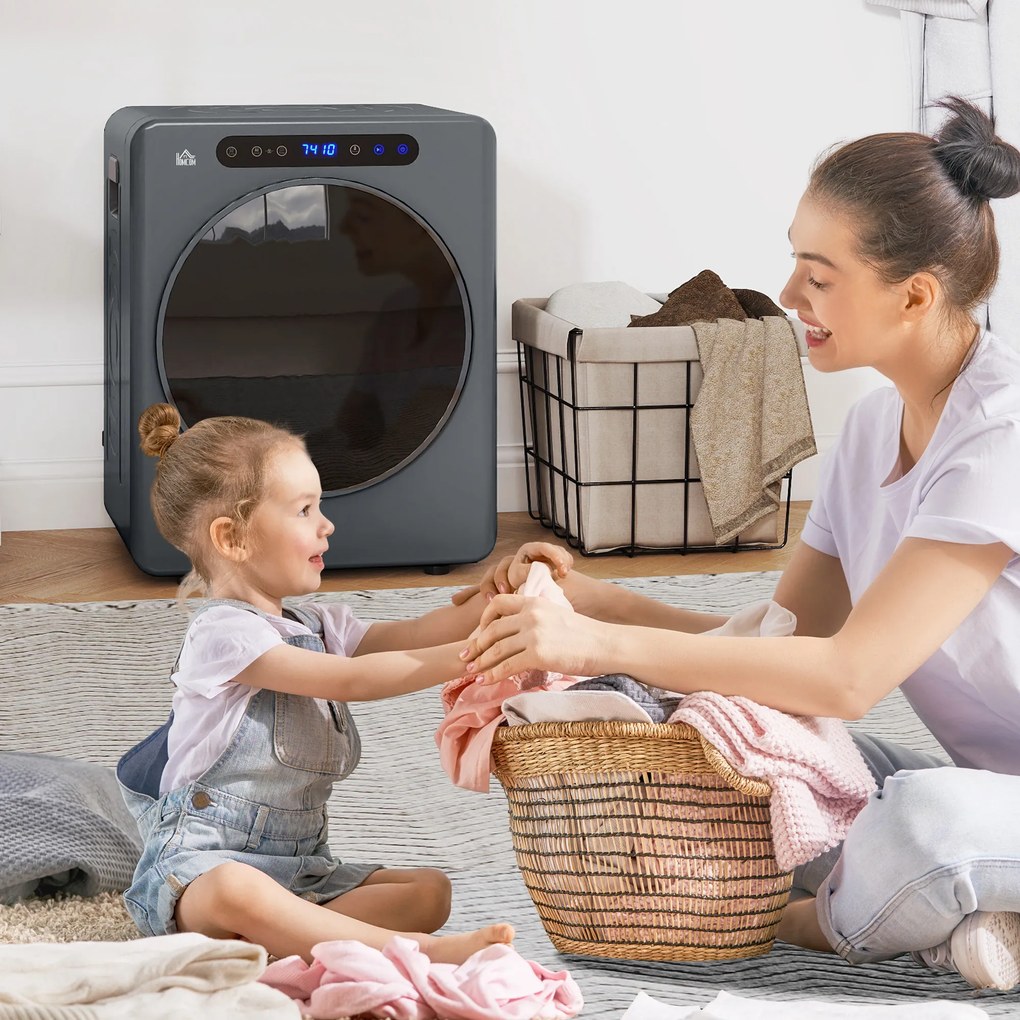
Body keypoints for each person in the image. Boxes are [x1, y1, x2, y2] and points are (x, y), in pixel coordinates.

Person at [456, 97, 1020, 992]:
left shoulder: (1000, 439)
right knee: (739, 749)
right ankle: (950, 916)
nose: (790, 296)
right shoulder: (874, 430)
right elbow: (781, 648)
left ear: (915, 293)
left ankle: (819, 921)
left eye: (819, 275)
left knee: (921, 819)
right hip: (1004, 794)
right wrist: (602, 605)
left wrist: (597, 643)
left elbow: (849, 679)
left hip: (967, 805)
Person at [116, 402, 553, 965]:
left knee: (430, 890)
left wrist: (502, 592)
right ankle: (421, 953)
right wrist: (481, 652)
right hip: (200, 872)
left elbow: (418, 633)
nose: (327, 524)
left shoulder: (316, 628)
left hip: (301, 872)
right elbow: (352, 680)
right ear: (232, 538)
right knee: (236, 889)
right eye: (304, 510)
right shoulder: (222, 634)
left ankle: (281, 941)